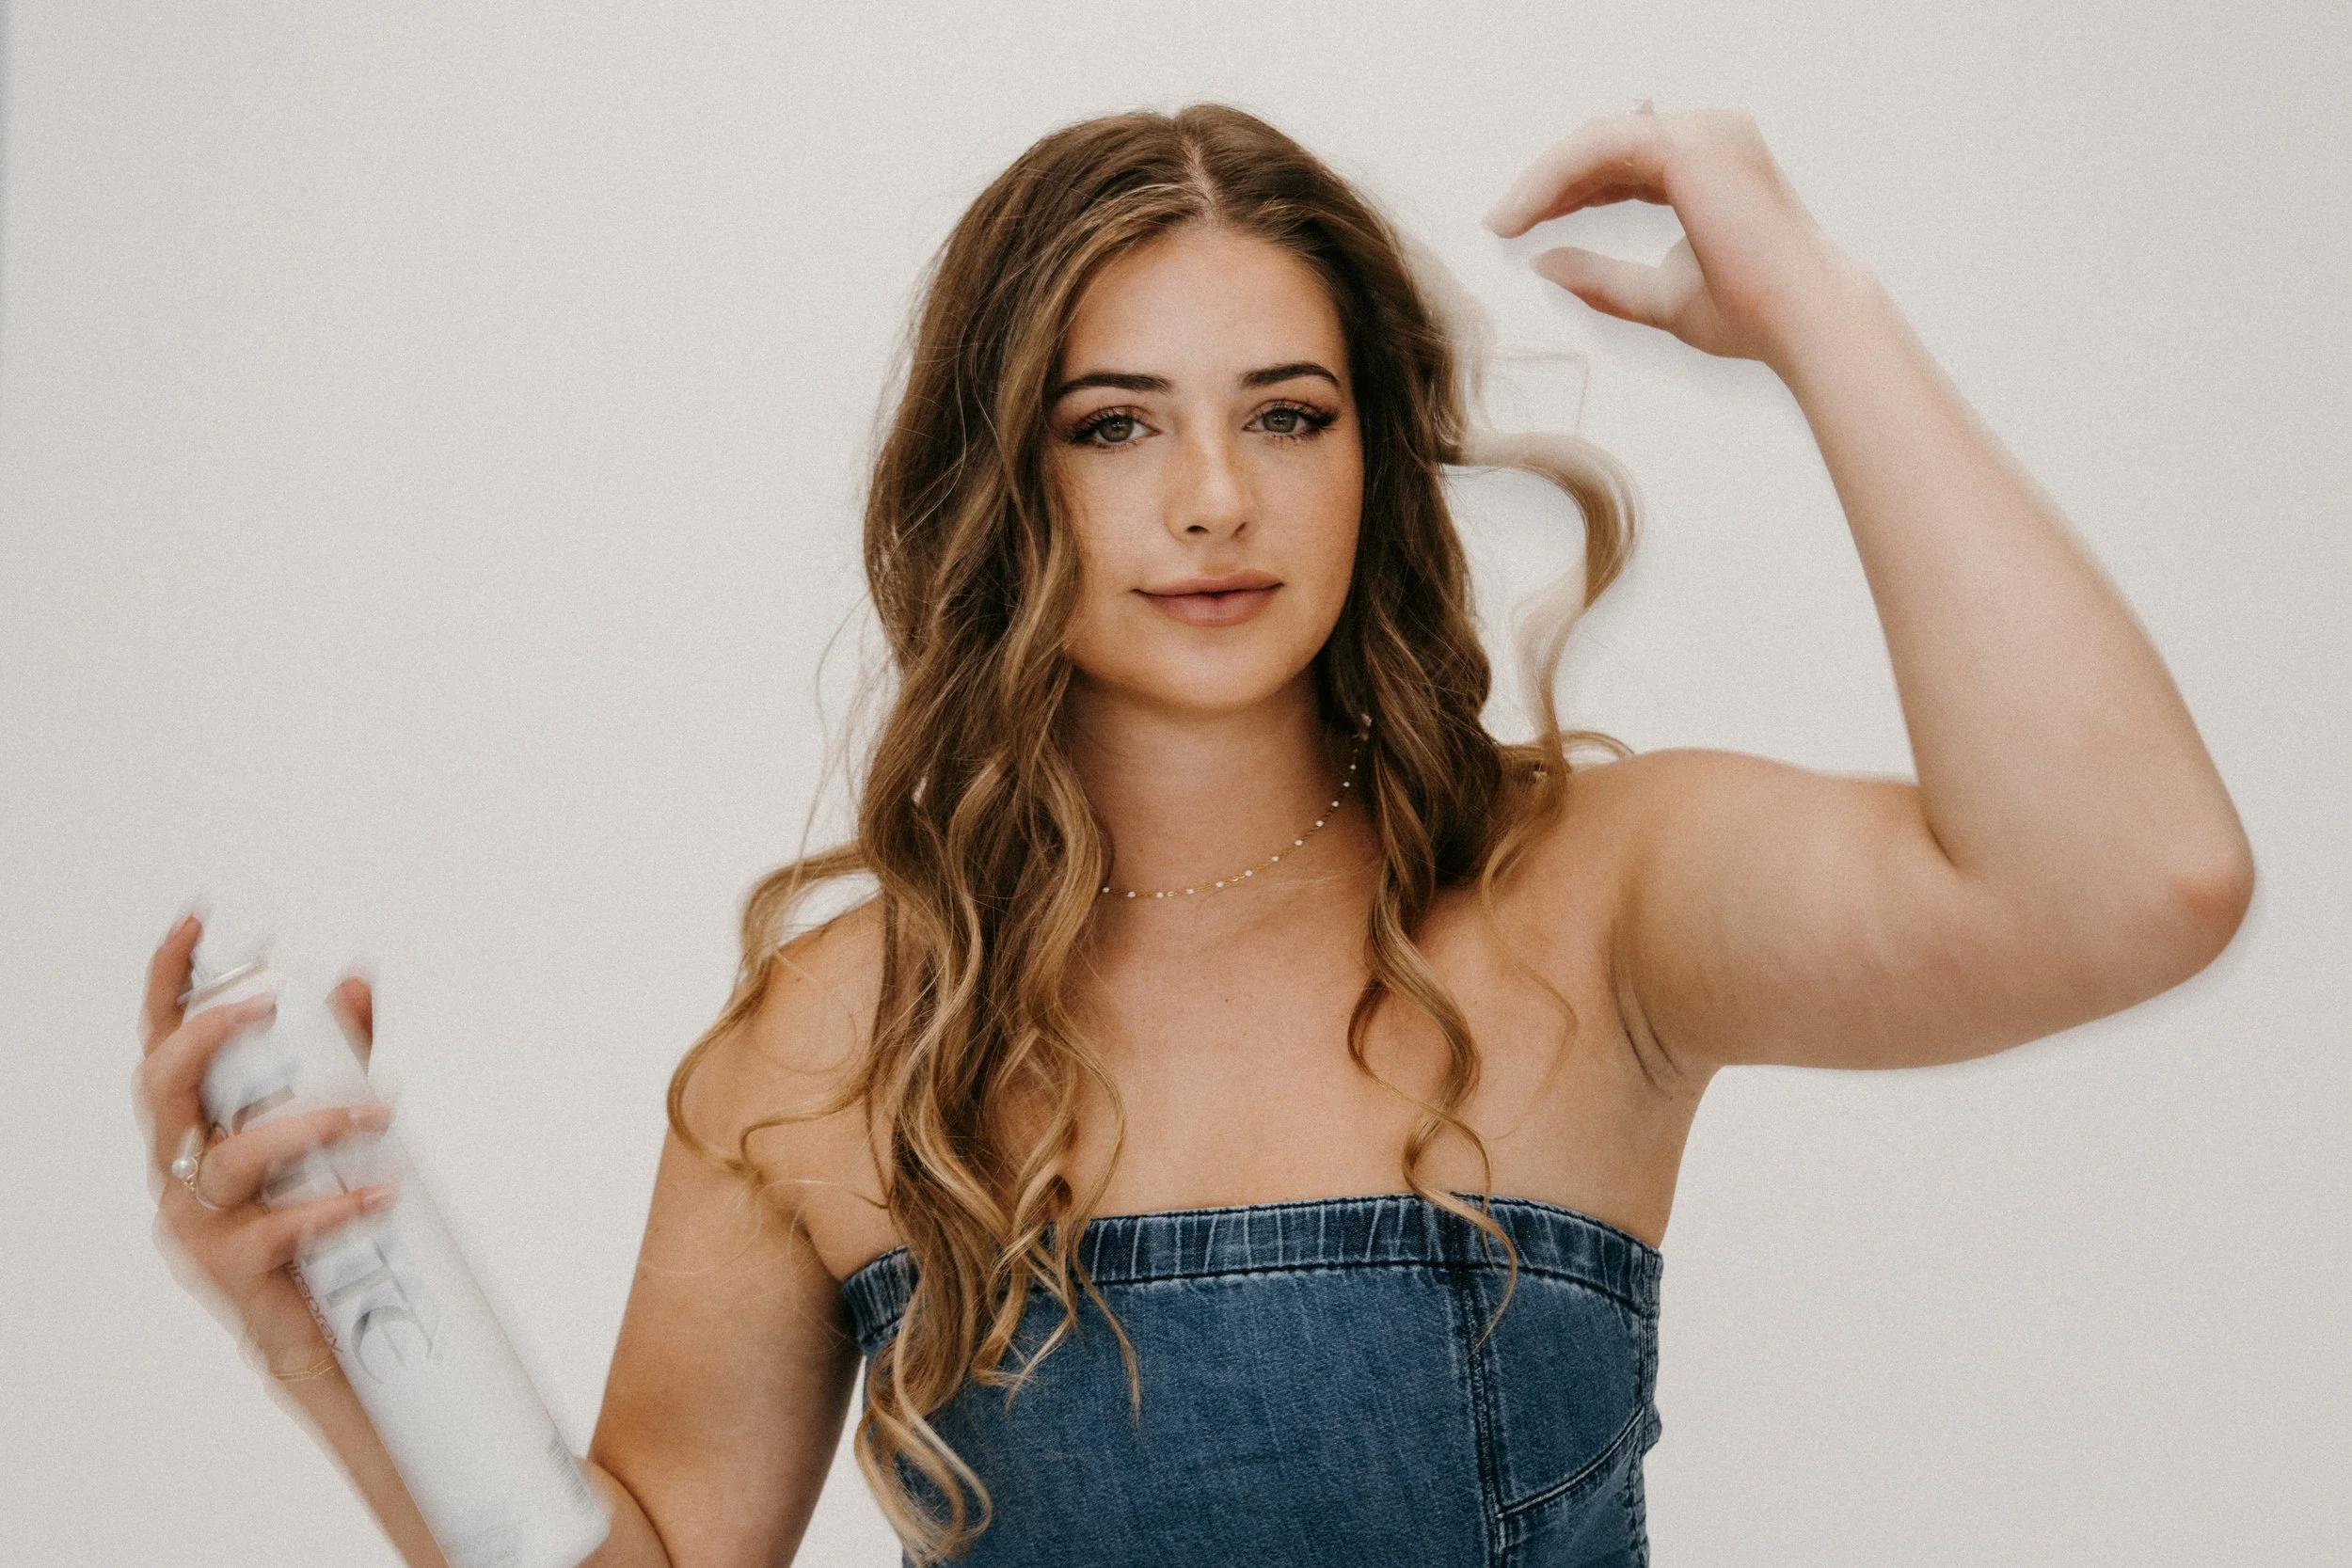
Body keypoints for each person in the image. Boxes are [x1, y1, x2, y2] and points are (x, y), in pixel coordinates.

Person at [135, 102, 2254, 1568]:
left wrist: (1809, 300)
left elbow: (2130, 878)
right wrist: (337, 1360)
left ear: (1371, 463)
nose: (1213, 495)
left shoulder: (1586, 898)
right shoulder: (833, 1035)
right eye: (1114, 422)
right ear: (1004, 478)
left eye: (1288, 412)